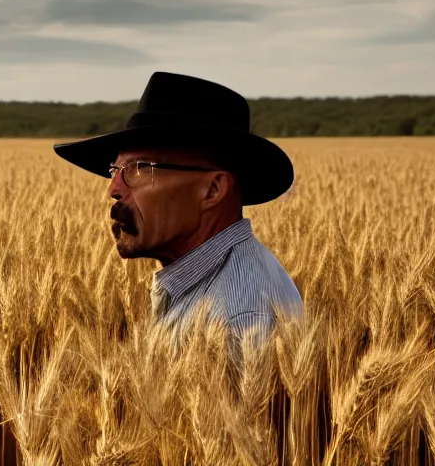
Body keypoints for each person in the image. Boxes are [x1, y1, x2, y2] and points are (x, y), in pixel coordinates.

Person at [53, 72, 303, 349]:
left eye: (140, 168)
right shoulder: (208, 285)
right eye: (116, 170)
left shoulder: (237, 318)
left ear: (212, 190)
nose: (114, 189)